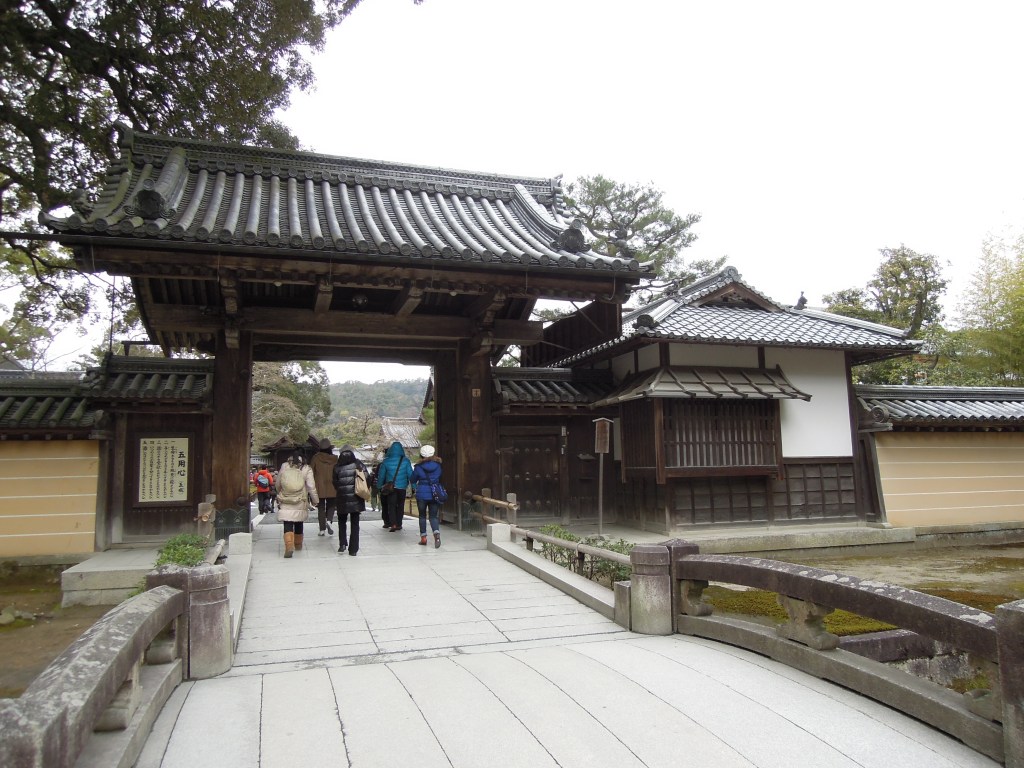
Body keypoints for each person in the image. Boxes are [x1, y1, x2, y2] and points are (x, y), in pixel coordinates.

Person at [277, 452, 317, 559]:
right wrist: (315, 500)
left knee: (288, 520)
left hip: (286, 497)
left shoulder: (284, 466)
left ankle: (289, 545)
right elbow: (311, 486)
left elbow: (278, 482)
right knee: (298, 520)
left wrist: (279, 492)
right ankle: (298, 545)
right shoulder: (306, 468)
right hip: (300, 498)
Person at [332, 445, 368, 556]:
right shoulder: (358, 464)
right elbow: (366, 477)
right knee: (355, 523)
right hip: (356, 497)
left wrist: (341, 489)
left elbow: (334, 482)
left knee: (342, 522)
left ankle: (342, 544)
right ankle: (353, 549)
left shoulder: (337, 467)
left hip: (342, 497)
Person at [376, 441, 413, 532]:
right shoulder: (406, 461)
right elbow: (410, 475)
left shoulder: (386, 461)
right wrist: (414, 486)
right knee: (400, 505)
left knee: (391, 506)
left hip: (391, 488)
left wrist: (379, 486)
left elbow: (381, 476)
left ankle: (393, 523)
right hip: (402, 487)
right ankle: (399, 524)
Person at [411, 444, 443, 548]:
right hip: (434, 494)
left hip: (421, 494)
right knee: (433, 516)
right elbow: (439, 477)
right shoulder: (438, 466)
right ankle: (437, 535)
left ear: (421, 454)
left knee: (422, 516)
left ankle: (423, 538)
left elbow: (413, 479)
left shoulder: (418, 467)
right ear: (433, 454)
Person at [310, 438, 338, 537]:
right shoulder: (335, 458)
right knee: (331, 505)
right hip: (332, 485)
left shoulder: (316, 458)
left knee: (321, 508)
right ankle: (329, 521)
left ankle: (322, 529)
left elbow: (311, 472)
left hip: (319, 486)